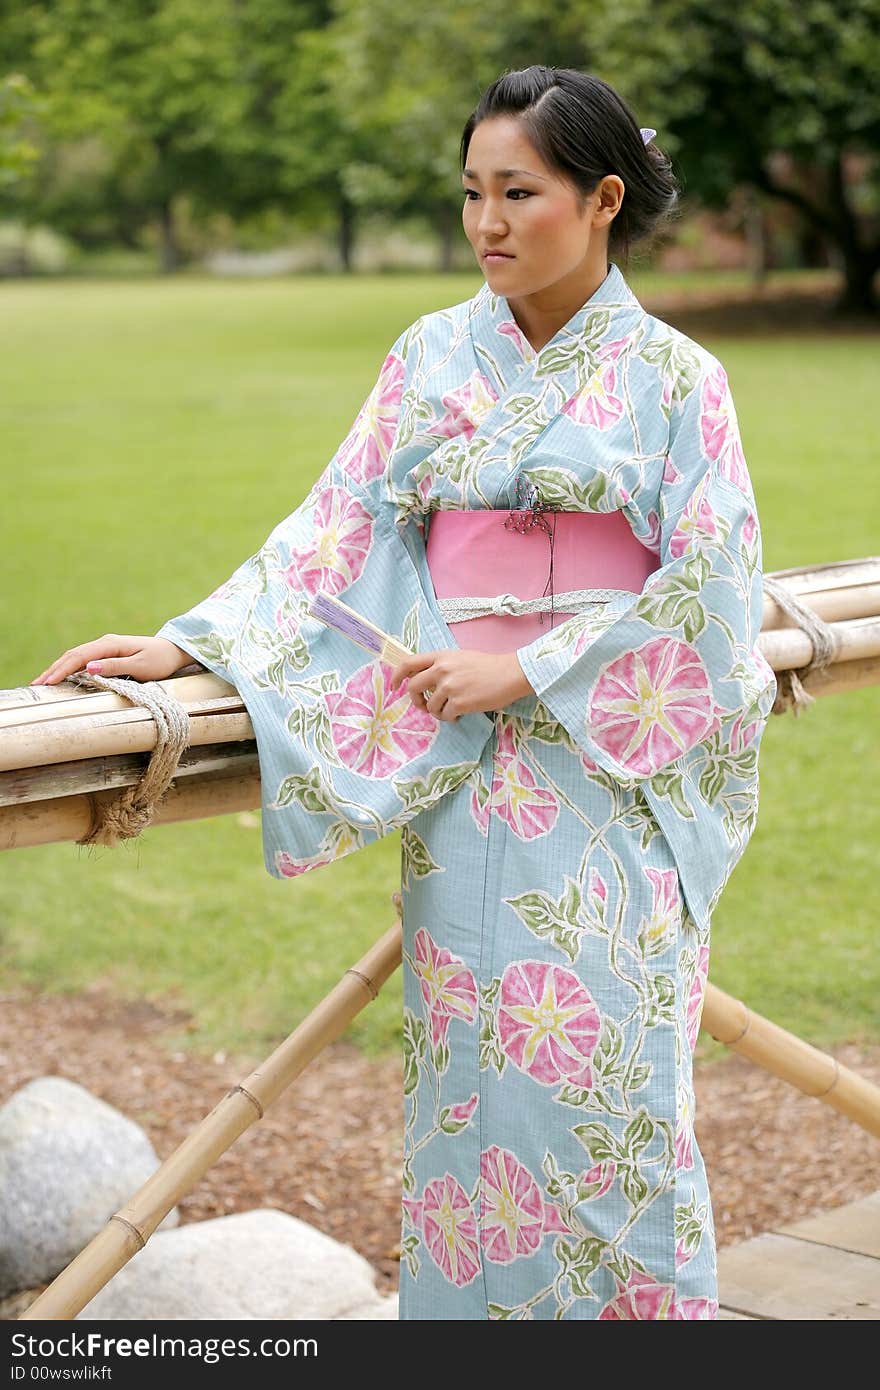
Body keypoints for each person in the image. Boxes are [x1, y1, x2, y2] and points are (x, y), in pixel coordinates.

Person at [32, 66, 777, 1320]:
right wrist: (197, 643)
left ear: (601, 200)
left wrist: (528, 665)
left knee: (613, 1097)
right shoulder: (432, 352)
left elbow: (712, 591)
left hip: (605, 781)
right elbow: (336, 532)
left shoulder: (676, 378)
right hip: (470, 793)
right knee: (470, 1103)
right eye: (471, 192)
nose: (485, 222)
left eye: (518, 193)